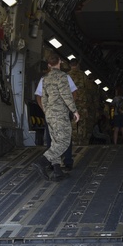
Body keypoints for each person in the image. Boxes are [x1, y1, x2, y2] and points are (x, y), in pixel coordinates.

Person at [32, 53, 80, 181]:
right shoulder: (63, 77)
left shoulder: (44, 79)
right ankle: (43, 161)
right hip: (60, 114)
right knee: (64, 141)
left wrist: (46, 111)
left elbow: (42, 97)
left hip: (49, 115)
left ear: (49, 64)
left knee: (54, 142)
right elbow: (67, 95)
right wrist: (74, 110)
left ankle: (57, 171)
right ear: (60, 62)